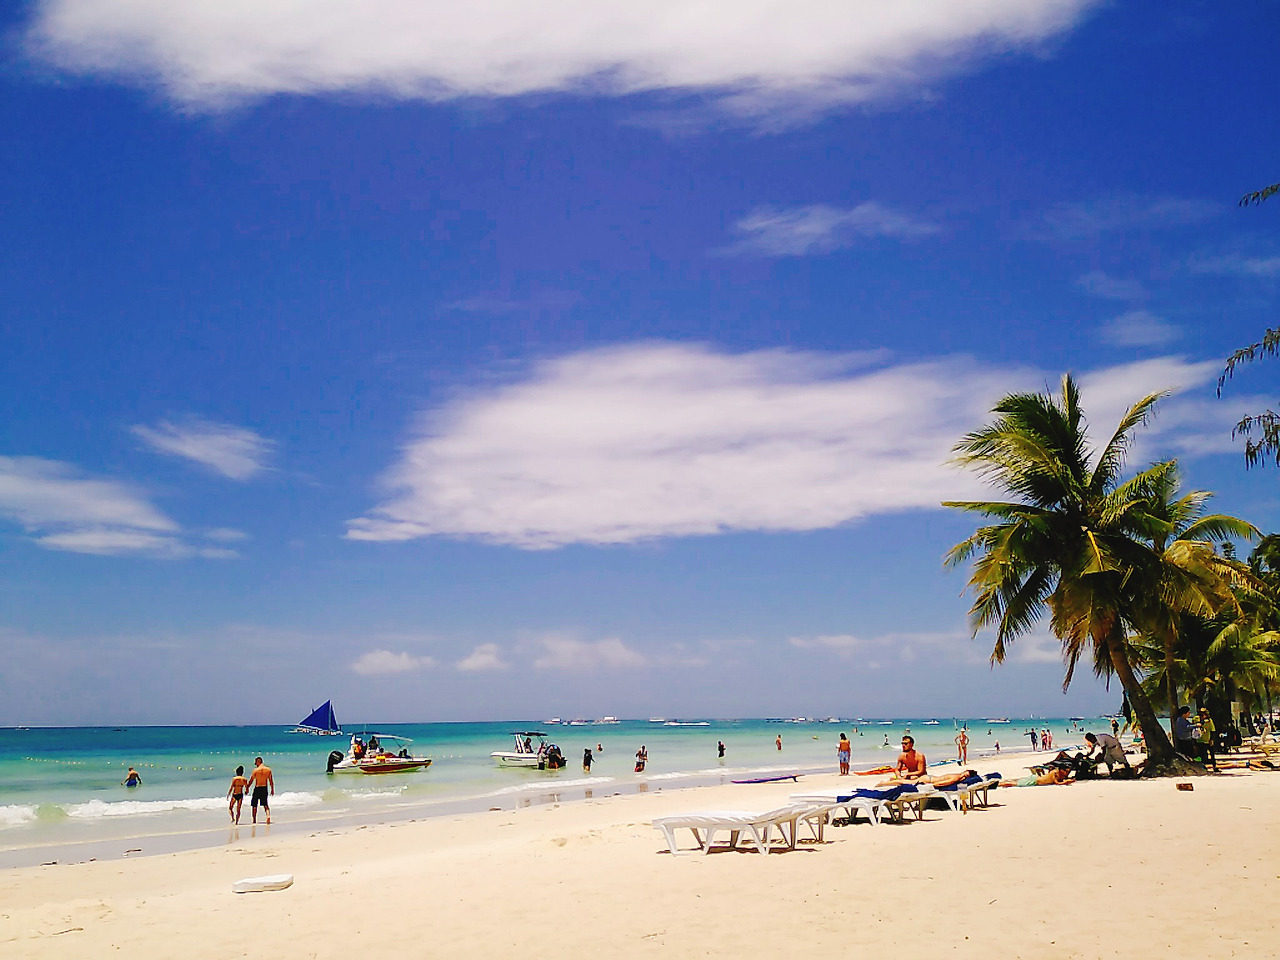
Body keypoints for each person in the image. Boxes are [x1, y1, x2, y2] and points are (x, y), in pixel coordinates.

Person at [247, 756, 274, 824]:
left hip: (258, 788)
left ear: (258, 762)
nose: (255, 764)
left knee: (254, 805)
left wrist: (247, 788)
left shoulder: (255, 770)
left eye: (255, 763)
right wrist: (272, 789)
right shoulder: (268, 770)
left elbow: (251, 780)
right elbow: (271, 780)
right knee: (265, 804)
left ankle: (254, 820)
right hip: (264, 787)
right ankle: (268, 816)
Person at [1197, 707, 1218, 772]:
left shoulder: (1209, 721)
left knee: (1212, 753)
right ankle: (1203, 766)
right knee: (1203, 754)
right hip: (1199, 740)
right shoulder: (1196, 719)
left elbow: (1213, 730)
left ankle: (1214, 766)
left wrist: (1212, 739)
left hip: (1208, 740)